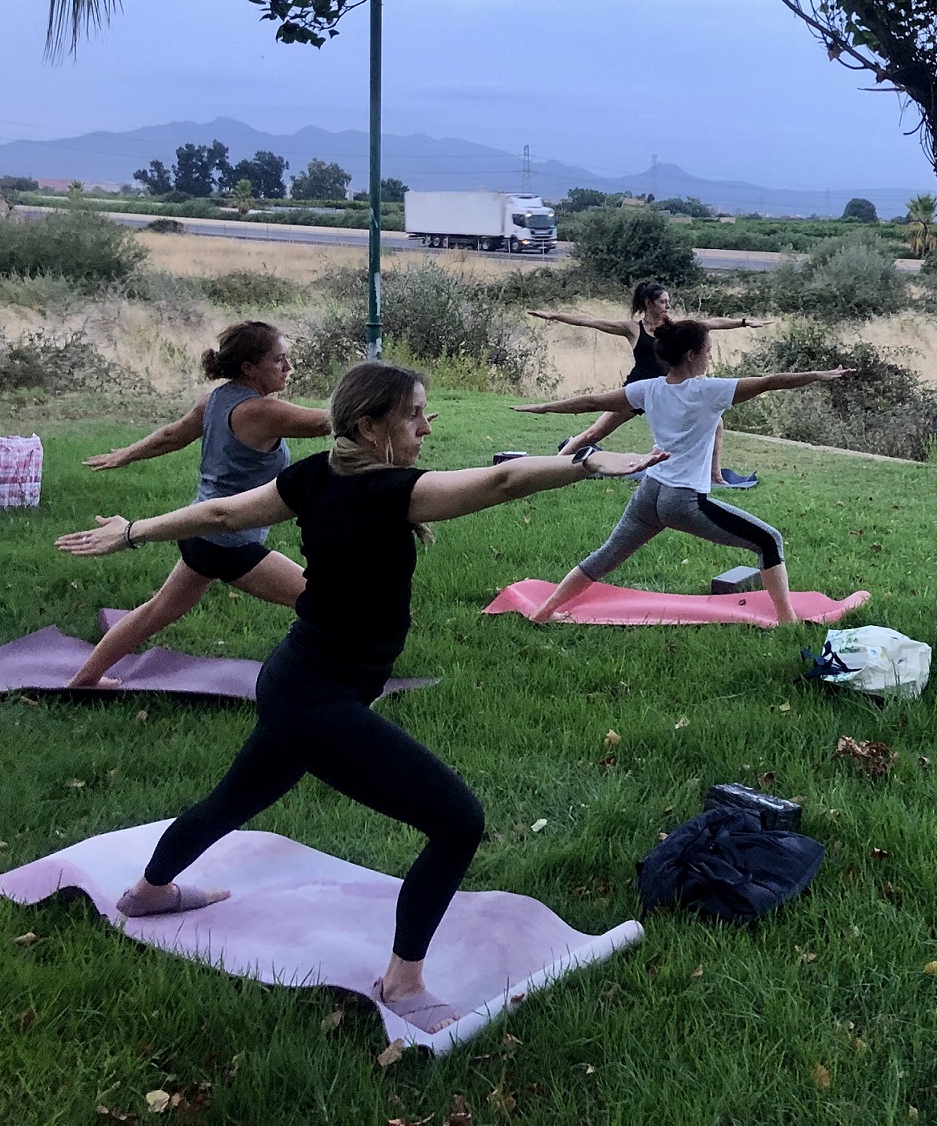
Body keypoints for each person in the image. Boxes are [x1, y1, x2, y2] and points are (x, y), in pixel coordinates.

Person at [56, 361, 666, 1032]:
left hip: (298, 679)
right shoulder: (392, 492)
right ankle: (402, 982)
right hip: (317, 696)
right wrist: (587, 465)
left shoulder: (314, 474)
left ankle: (149, 892)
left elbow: (224, 510)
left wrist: (136, 528)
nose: (426, 427)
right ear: (371, 425)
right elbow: (500, 478)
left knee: (235, 797)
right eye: (414, 415)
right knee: (457, 820)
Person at [512, 319, 849, 626]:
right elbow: (770, 382)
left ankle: (544, 612)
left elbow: (591, 402)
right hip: (682, 500)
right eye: (708, 351)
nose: (710, 357)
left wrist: (542, 407)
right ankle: (788, 622)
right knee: (769, 540)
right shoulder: (709, 391)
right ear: (691, 355)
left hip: (650, 492)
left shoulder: (649, 389)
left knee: (607, 555)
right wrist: (817, 375)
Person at [71, 322, 333, 689]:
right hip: (229, 541)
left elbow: (172, 435)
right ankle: (320, 683)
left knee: (157, 610)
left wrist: (127, 455)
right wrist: (394, 415)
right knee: (325, 605)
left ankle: (84, 680)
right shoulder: (260, 411)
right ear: (249, 368)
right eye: (279, 359)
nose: (288, 367)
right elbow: (333, 422)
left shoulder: (216, 400)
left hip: (199, 531)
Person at [530, 283, 767, 487]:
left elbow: (710, 323)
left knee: (716, 424)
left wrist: (744, 322)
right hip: (637, 392)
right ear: (649, 303)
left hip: (667, 391)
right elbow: (591, 321)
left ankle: (715, 476)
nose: (668, 306)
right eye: (663, 301)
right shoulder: (633, 328)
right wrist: (554, 316)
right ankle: (548, 466)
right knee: (595, 432)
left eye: (668, 302)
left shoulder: (673, 329)